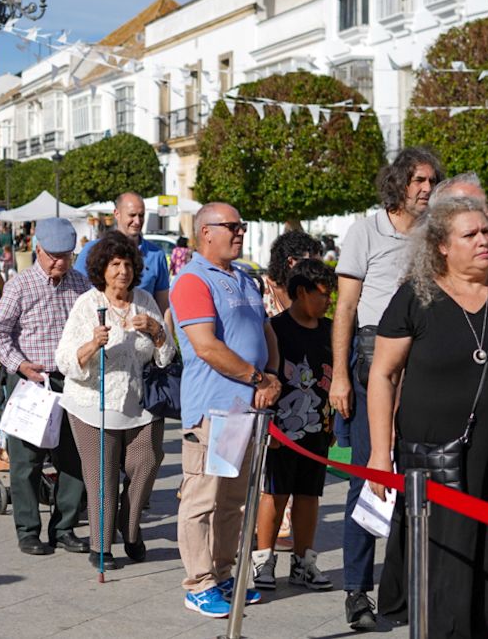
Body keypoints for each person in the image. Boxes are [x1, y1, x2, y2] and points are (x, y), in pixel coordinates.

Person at [366, 196, 488, 638]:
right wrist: (380, 454)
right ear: (441, 245)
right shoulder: (416, 296)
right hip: (437, 458)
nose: (484, 241)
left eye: (487, 231)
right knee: (447, 565)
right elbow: (383, 373)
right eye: (470, 235)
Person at [328, 146, 442, 631]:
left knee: (420, 480)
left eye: (432, 180)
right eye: (418, 180)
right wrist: (337, 375)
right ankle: (357, 591)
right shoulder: (366, 230)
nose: (426, 188)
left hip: (424, 361)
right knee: (367, 481)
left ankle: (407, 587)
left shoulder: (437, 233)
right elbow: (346, 308)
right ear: (398, 183)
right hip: (372, 360)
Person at [171, 202, 281, 618]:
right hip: (213, 410)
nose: (240, 233)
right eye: (231, 226)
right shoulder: (193, 280)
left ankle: (221, 574)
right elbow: (206, 345)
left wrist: (272, 373)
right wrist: (259, 379)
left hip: (244, 411)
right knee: (202, 498)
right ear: (205, 233)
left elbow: (265, 330)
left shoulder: (245, 278)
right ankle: (198, 584)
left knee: (234, 500)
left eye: (242, 225)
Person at [56, 231, 172, 570]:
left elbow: (165, 357)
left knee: (147, 464)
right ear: (102, 269)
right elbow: (65, 360)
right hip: (94, 404)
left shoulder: (146, 302)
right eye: (114, 264)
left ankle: (131, 528)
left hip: (140, 404)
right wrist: (93, 344)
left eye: (127, 264)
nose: (122, 271)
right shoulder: (88, 305)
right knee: (102, 476)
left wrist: (157, 330)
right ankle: (101, 545)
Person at [0, 217, 90, 556]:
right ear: (38, 250)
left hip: (71, 380)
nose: (60, 262)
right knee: (26, 462)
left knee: (73, 459)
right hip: (31, 380)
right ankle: (28, 530)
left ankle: (64, 527)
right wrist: (19, 364)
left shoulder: (82, 285)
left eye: (67, 255)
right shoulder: (20, 285)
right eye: (54, 255)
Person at [252, 259, 337, 592]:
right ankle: (263, 559)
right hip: (281, 431)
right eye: (323, 294)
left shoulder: (331, 331)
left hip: (318, 428)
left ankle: (304, 562)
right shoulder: (277, 329)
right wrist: (268, 425)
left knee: (309, 494)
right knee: (275, 492)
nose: (328, 301)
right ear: (301, 292)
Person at [76, 192, 171, 320]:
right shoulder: (91, 250)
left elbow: (164, 308)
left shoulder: (157, 255)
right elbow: (77, 297)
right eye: (132, 215)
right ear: (117, 214)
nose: (137, 221)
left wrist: (166, 337)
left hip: (143, 335)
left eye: (141, 215)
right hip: (101, 334)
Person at [261, 230, 324, 317]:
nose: (317, 270)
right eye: (312, 264)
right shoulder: (258, 288)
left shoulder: (305, 291)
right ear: (291, 262)